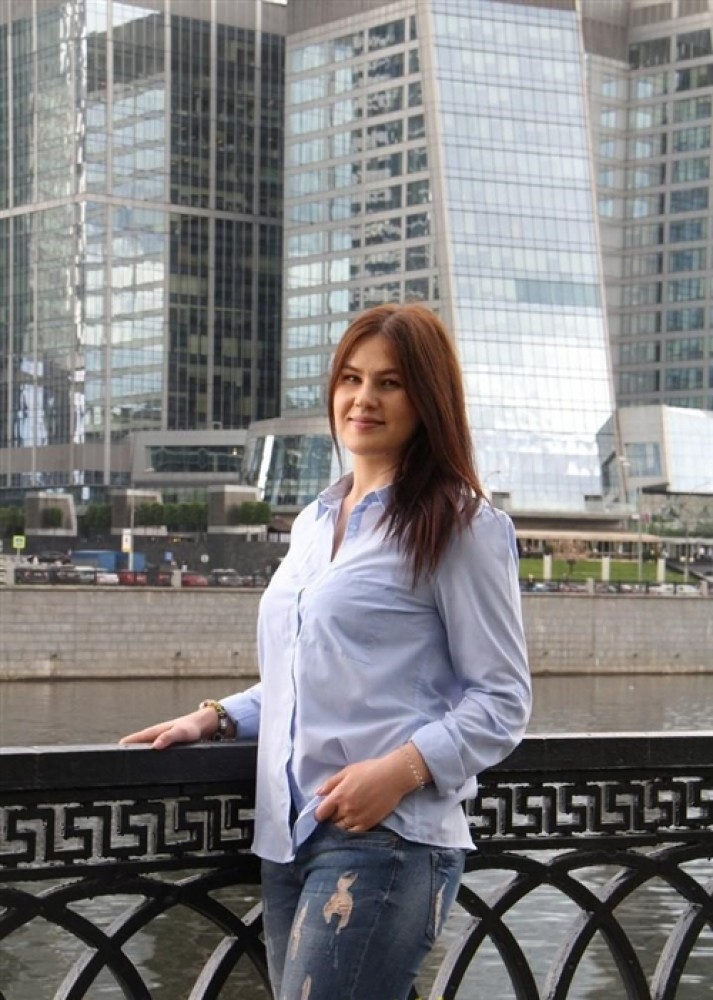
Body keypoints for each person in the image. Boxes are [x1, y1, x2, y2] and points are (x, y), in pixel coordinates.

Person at [120, 303, 531, 1000]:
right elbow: (305, 672)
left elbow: (503, 699)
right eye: (350, 378)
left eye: (390, 383)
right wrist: (216, 717)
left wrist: (399, 771)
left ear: (428, 399)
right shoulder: (313, 521)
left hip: (388, 838)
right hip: (288, 836)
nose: (363, 398)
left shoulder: (460, 525)